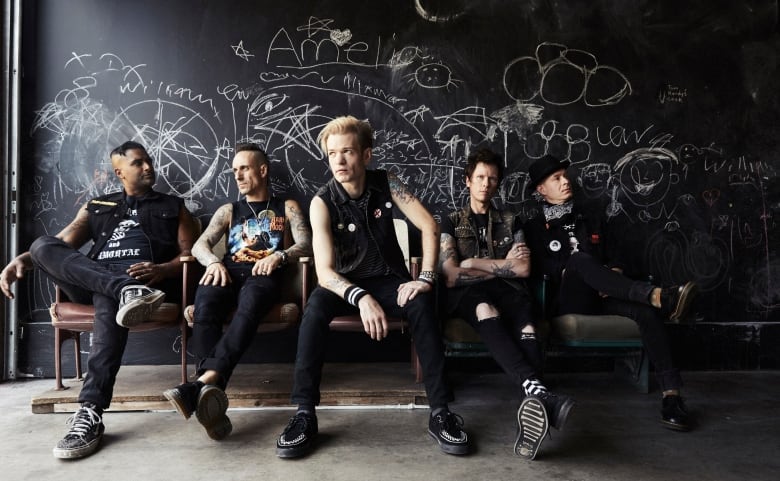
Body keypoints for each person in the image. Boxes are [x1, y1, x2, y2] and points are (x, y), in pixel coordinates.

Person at [274, 116, 470, 458]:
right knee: (314, 310)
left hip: (389, 281)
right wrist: (359, 296)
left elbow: (430, 226)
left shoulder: (387, 183)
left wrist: (425, 278)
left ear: (366, 155)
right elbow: (324, 272)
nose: (339, 160)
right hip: (342, 285)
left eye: (347, 151)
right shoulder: (322, 201)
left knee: (423, 305)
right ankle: (304, 414)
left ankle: (441, 413)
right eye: (332, 153)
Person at [0, 141, 197, 459]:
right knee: (41, 245)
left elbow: (191, 257)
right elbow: (61, 243)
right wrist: (21, 258)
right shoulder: (97, 206)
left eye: (149, 161)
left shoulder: (174, 206)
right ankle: (121, 288)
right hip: (97, 278)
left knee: (109, 300)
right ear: (120, 172)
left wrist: (162, 269)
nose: (148, 167)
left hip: (144, 282)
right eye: (138, 163)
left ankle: (90, 411)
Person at [522, 154, 697, 431]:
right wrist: (578, 272)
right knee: (578, 260)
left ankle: (671, 396)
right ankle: (657, 295)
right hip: (568, 298)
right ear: (541, 189)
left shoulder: (591, 218)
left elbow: (614, 257)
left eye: (565, 175)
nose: (565, 181)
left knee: (645, 313)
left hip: (605, 296)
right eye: (556, 178)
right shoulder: (531, 227)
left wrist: (613, 273)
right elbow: (542, 270)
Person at [163, 143, 312, 440]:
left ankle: (199, 386)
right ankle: (207, 392)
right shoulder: (229, 210)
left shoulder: (288, 206)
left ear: (262, 170)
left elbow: (306, 243)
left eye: (244, 168)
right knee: (204, 305)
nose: (238, 175)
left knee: (249, 306)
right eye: (234, 170)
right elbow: (199, 246)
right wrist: (214, 263)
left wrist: (278, 256)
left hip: (264, 273)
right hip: (227, 272)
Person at [439, 147, 574, 460]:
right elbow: (449, 275)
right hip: (468, 295)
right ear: (467, 181)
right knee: (486, 308)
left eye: (493, 179)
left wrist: (474, 262)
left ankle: (532, 409)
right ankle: (540, 393)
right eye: (481, 177)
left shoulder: (512, 220)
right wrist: (499, 265)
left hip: (511, 290)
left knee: (528, 325)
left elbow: (524, 269)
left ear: (498, 184)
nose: (487, 184)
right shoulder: (449, 221)